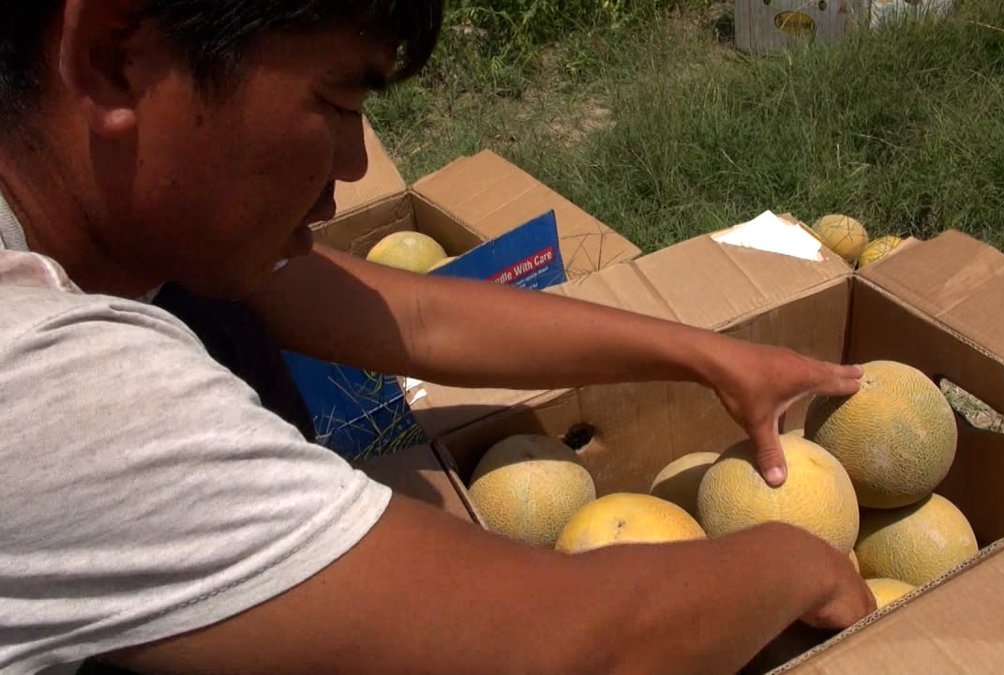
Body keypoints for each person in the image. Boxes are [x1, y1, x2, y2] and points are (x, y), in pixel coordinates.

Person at [0, 2, 875, 673]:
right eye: (338, 101)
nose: (353, 164)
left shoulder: (116, 205)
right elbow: (561, 648)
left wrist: (705, 354)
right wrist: (798, 562)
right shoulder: (47, 388)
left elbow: (418, 314)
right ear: (115, 57)